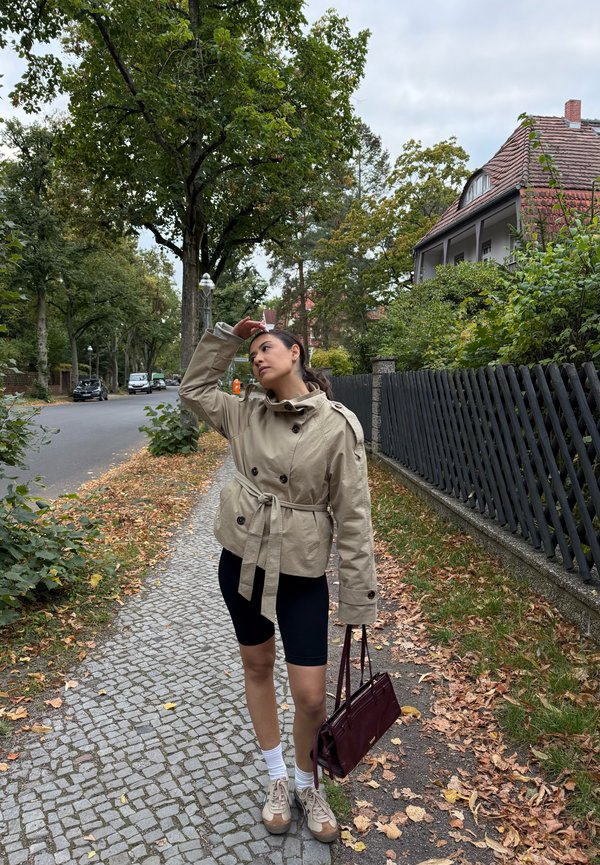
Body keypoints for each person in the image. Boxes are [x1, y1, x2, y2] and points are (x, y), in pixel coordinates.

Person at [179, 318, 377, 844]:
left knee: (312, 697)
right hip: (243, 560)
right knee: (257, 665)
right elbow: (194, 389)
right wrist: (225, 336)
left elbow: (354, 516)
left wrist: (358, 601)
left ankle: (307, 782)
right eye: (252, 354)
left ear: (296, 353)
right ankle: (275, 779)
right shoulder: (245, 413)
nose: (257, 359)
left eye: (265, 348)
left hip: (302, 570)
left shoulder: (338, 425)